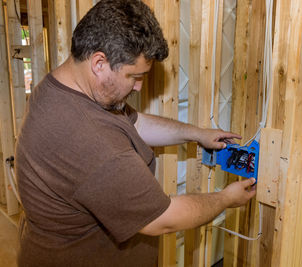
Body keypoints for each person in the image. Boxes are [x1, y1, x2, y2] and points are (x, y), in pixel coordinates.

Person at [15, 0, 256, 266]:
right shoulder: (93, 143)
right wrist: (226, 198)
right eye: (135, 76)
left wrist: (197, 134)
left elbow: (135, 123)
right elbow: (163, 219)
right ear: (99, 63)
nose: (139, 87)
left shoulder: (60, 88)